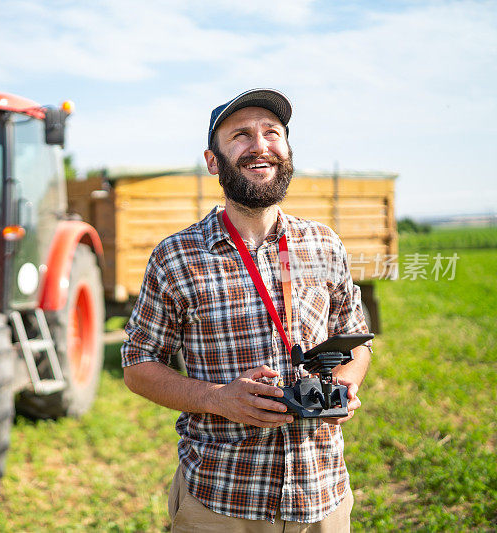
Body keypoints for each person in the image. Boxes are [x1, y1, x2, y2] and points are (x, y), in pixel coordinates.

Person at [121, 88, 372, 532]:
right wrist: (218, 400)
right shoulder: (177, 257)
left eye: (271, 132)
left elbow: (356, 338)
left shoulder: (324, 243)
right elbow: (138, 365)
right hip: (221, 501)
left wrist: (344, 387)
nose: (260, 145)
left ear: (287, 149)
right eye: (240, 135)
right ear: (213, 160)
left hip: (322, 496)